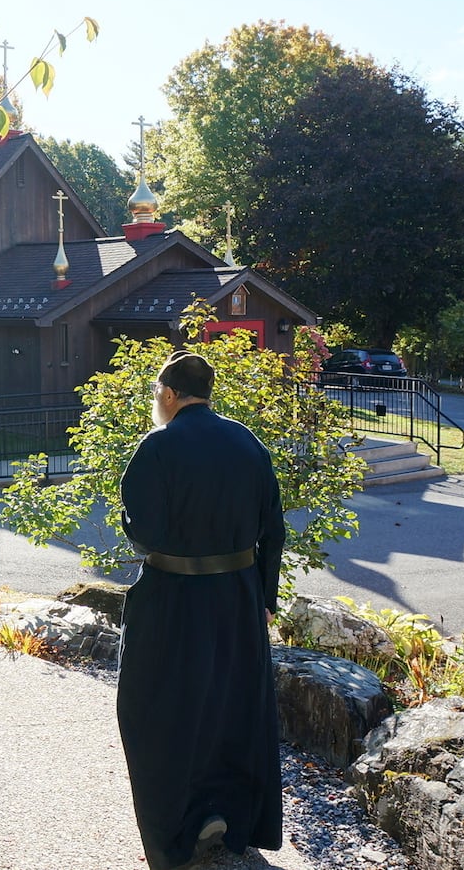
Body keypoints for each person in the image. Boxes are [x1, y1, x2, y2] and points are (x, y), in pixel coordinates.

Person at [116, 349, 285, 869]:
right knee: (230, 705)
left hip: (174, 597)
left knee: (160, 708)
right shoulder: (247, 443)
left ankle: (177, 829)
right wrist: (265, 600)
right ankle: (227, 812)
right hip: (237, 596)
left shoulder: (159, 446)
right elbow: (273, 529)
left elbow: (145, 530)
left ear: (168, 394)